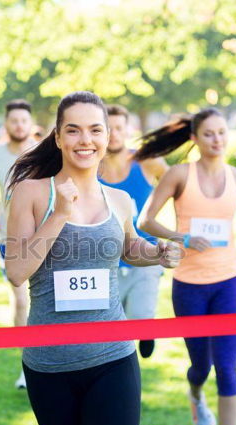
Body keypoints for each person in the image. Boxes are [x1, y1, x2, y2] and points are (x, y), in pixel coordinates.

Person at [4, 91, 180, 425]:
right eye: (74, 130)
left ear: (107, 137)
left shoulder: (118, 200)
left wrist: (159, 253)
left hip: (113, 357)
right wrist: (59, 215)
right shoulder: (32, 192)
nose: (86, 140)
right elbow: (17, 271)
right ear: (57, 137)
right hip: (50, 365)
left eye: (95, 130)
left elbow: (130, 248)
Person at [137, 108, 236, 425]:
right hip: (189, 286)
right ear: (194, 137)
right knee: (201, 367)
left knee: (227, 368)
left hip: (228, 283)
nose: (217, 139)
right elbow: (145, 219)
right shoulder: (179, 175)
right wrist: (183, 236)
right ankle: (195, 394)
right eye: (209, 133)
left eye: (222, 132)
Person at [99, 104, 168, 358]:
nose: (114, 134)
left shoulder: (147, 162)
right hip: (106, 256)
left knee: (140, 315)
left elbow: (176, 185)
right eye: (108, 128)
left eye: (119, 128)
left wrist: (158, 219)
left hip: (145, 250)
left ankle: (146, 328)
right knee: (113, 329)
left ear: (128, 129)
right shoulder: (90, 167)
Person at [0, 99, 36, 389]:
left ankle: (53, 359)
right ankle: (27, 365)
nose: (19, 126)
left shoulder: (44, 151)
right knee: (21, 299)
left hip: (44, 236)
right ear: (6, 124)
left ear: (31, 123)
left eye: (24, 120)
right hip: (9, 239)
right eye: (14, 121)